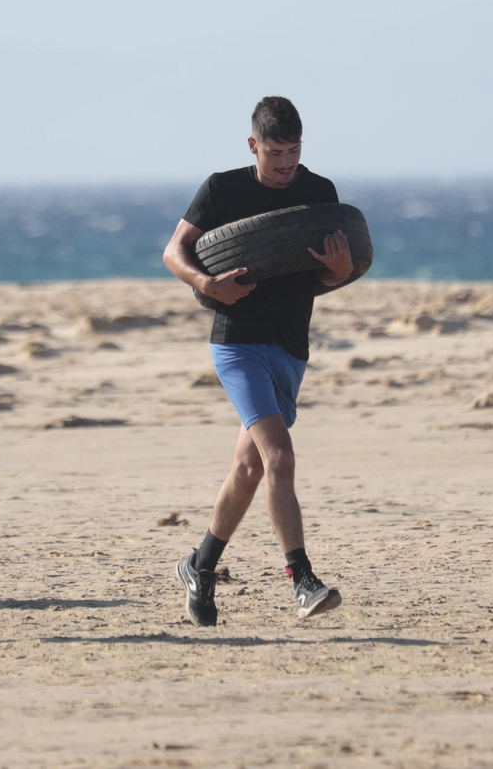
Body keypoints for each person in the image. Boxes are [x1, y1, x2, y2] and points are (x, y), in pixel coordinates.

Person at [161, 96, 353, 627]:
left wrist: (339, 269)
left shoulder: (320, 194)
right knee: (279, 456)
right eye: (275, 154)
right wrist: (206, 283)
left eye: (293, 152)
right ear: (254, 146)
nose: (286, 165)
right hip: (238, 341)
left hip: (291, 347)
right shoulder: (223, 188)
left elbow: (329, 276)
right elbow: (173, 252)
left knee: (248, 468)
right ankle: (302, 579)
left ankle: (200, 565)